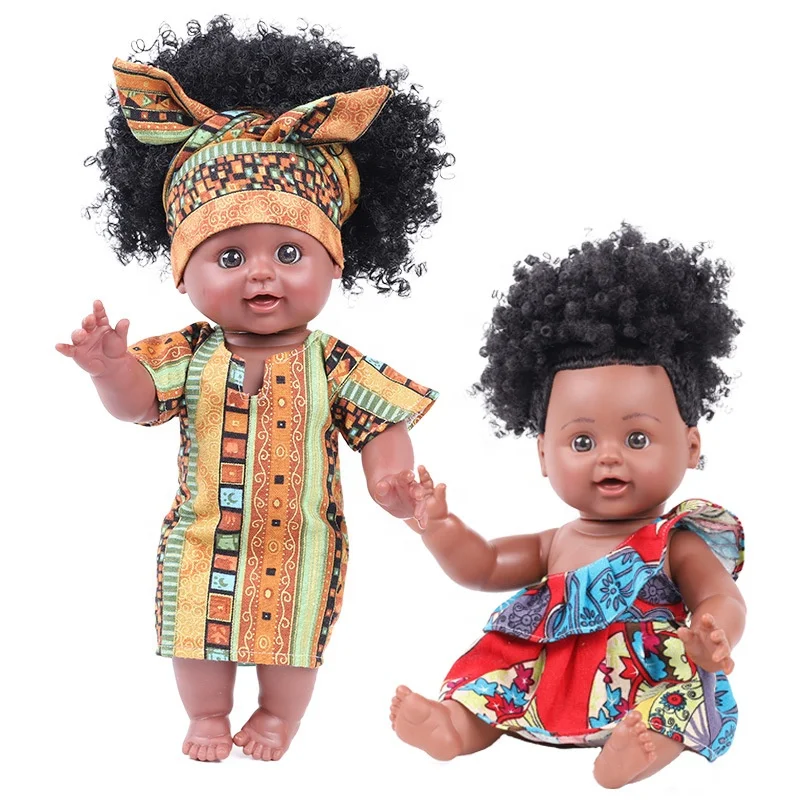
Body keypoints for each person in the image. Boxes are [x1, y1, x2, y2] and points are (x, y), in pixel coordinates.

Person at [56, 17, 449, 763]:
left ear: (335, 265)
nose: (261, 273)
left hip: (301, 542)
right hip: (203, 536)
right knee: (194, 633)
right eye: (230, 256)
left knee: (293, 642)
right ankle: (207, 715)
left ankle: (277, 718)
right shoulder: (188, 352)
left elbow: (379, 426)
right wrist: (111, 369)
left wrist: (392, 483)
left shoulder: (334, 363)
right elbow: (140, 404)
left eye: (290, 252)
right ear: (183, 274)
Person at [391, 225, 745, 789]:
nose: (608, 457)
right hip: (548, 671)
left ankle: (631, 756)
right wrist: (440, 527)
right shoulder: (554, 541)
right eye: (582, 441)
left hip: (644, 672)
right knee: (491, 684)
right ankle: (454, 727)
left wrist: (713, 630)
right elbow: (484, 565)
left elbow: (721, 596)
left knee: (682, 708)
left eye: (637, 438)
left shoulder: (675, 541)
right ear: (543, 455)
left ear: (691, 446)